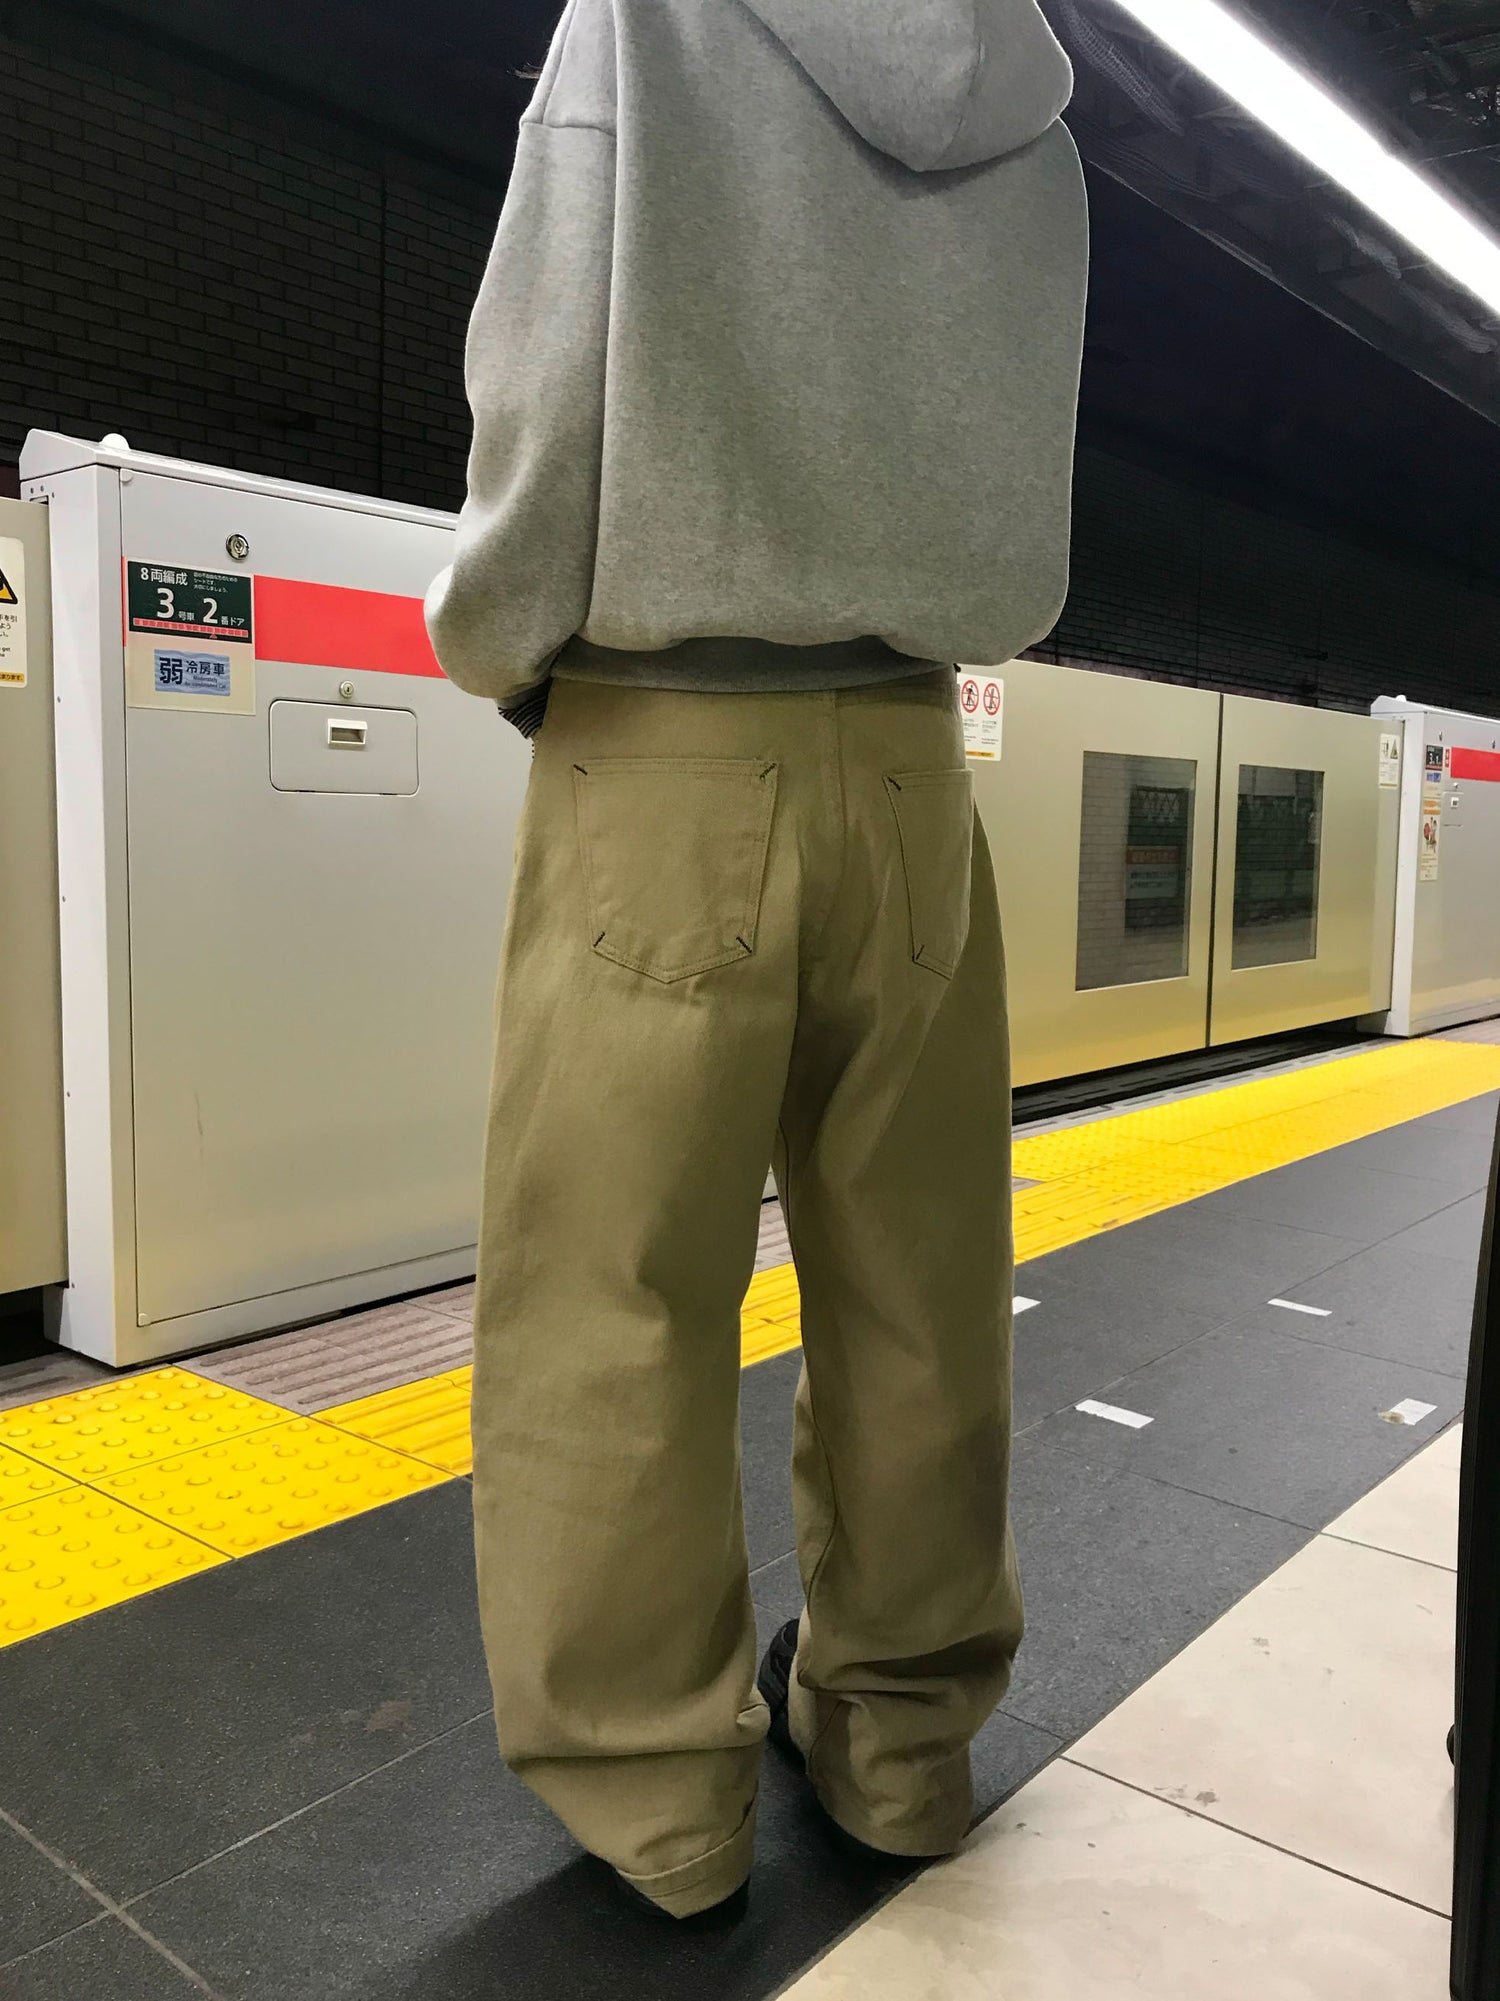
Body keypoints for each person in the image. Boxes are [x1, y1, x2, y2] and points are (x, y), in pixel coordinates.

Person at [425, 0, 1087, 1923]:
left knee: (612, 1294)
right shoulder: (1025, 85)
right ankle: (900, 1747)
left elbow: (547, 375)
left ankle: (661, 1798)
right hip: (913, 763)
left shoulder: (646, 23)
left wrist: (502, 643)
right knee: (921, 1283)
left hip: (663, 747)